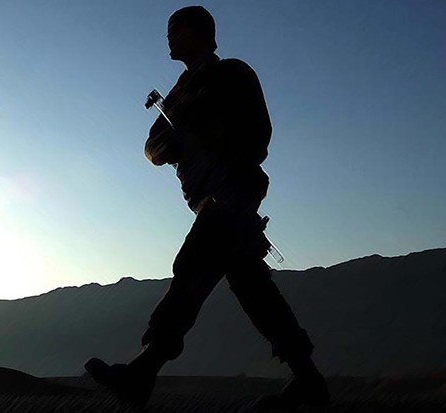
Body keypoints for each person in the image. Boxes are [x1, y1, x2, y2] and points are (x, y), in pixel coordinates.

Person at [85, 6, 329, 411]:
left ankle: (144, 370)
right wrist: (175, 140)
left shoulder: (232, 74)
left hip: (232, 191)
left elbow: (259, 134)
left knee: (191, 267)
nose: (168, 37)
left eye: (175, 29)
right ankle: (309, 381)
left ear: (200, 32)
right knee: (251, 285)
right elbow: (152, 148)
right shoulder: (177, 95)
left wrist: (210, 134)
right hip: (207, 199)